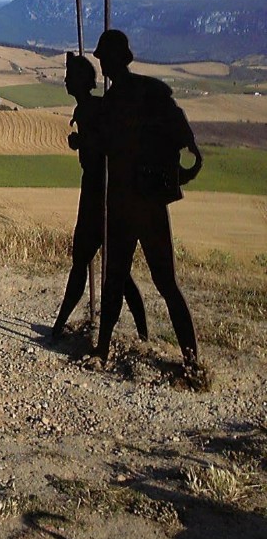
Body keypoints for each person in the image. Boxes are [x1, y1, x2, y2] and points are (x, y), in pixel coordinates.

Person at [92, 30, 202, 368]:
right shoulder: (135, 95)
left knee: (158, 281)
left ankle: (191, 360)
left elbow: (181, 135)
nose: (102, 64)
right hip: (131, 200)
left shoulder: (139, 95)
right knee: (128, 279)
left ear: (114, 60)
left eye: (104, 58)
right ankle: (104, 349)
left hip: (137, 201)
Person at [51, 53, 148, 340]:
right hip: (93, 191)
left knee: (102, 265)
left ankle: (140, 331)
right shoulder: (87, 109)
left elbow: (106, 146)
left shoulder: (93, 110)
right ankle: (61, 325)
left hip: (100, 194)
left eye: (70, 76)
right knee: (102, 265)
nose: (66, 81)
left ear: (80, 81)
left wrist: (83, 142)